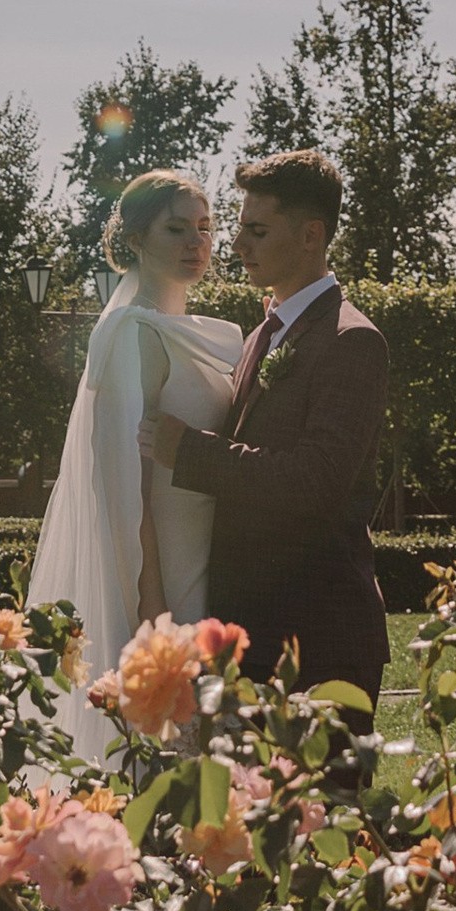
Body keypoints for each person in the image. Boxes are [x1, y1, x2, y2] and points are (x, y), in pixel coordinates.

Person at [140, 147, 389, 707]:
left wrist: (191, 452)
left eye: (256, 230)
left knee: (325, 800)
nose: (236, 245)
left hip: (320, 638)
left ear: (310, 236)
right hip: (252, 636)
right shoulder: (259, 335)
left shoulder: (352, 341)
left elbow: (315, 481)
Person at [28, 168, 241, 758]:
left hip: (215, 553)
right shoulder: (131, 335)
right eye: (176, 229)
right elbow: (123, 487)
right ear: (136, 239)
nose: (196, 243)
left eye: (205, 228)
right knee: (172, 743)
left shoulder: (195, 333)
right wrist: (152, 605)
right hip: (168, 572)